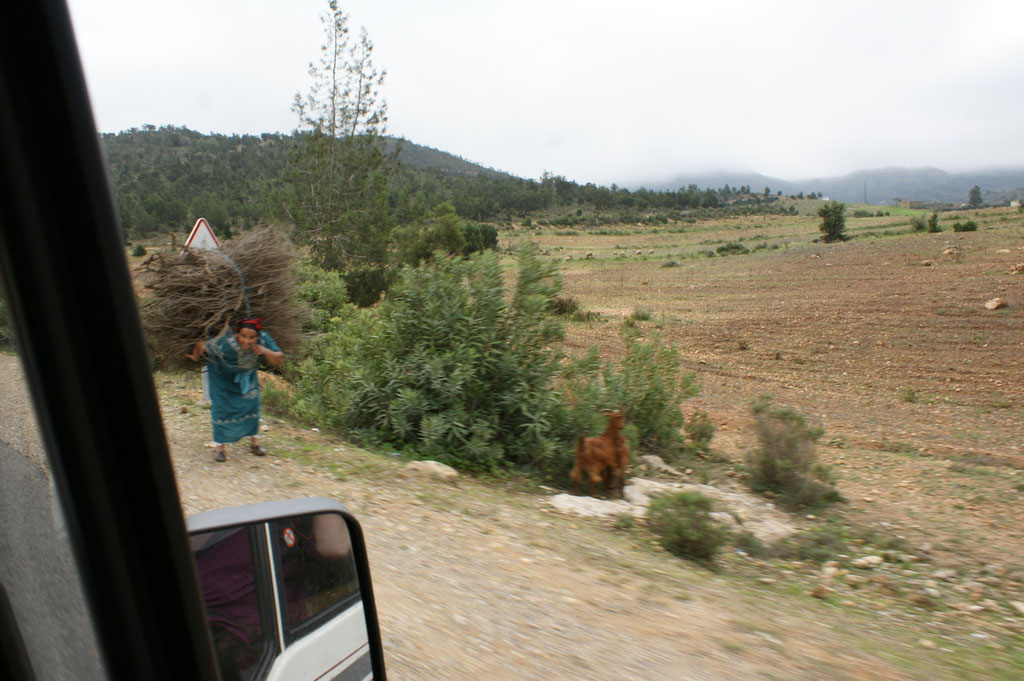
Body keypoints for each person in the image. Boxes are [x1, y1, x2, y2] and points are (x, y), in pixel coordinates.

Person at [187, 318, 284, 462]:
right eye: (243, 336)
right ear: (237, 334)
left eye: (252, 337)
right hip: (221, 378)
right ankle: (220, 447)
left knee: (251, 406)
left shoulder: (263, 339)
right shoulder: (224, 343)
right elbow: (201, 345)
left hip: (246, 377)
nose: (247, 341)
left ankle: (255, 443)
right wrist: (195, 357)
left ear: (257, 336)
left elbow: (279, 357)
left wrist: (263, 350)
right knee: (221, 408)